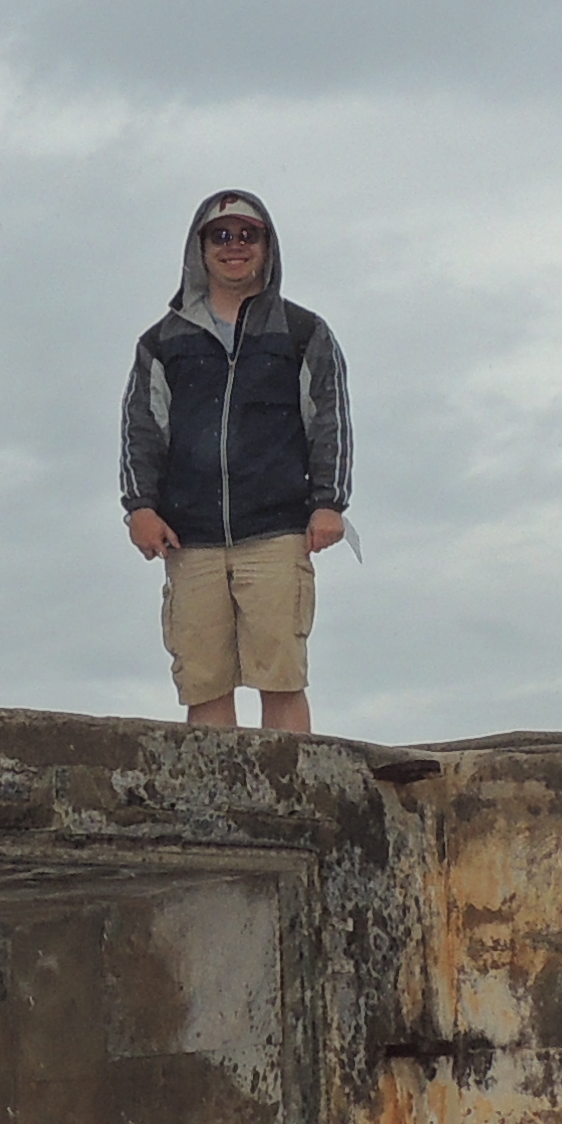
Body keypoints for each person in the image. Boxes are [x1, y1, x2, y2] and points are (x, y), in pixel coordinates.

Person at [118, 190, 350, 731]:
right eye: (220, 236)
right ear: (200, 248)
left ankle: (290, 786)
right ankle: (215, 791)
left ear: (267, 247)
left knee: (282, 679)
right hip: (189, 539)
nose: (234, 246)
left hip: (276, 534)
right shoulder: (161, 342)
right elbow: (141, 428)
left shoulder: (302, 332)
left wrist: (330, 503)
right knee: (204, 685)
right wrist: (139, 508)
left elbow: (330, 420)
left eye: (248, 235)